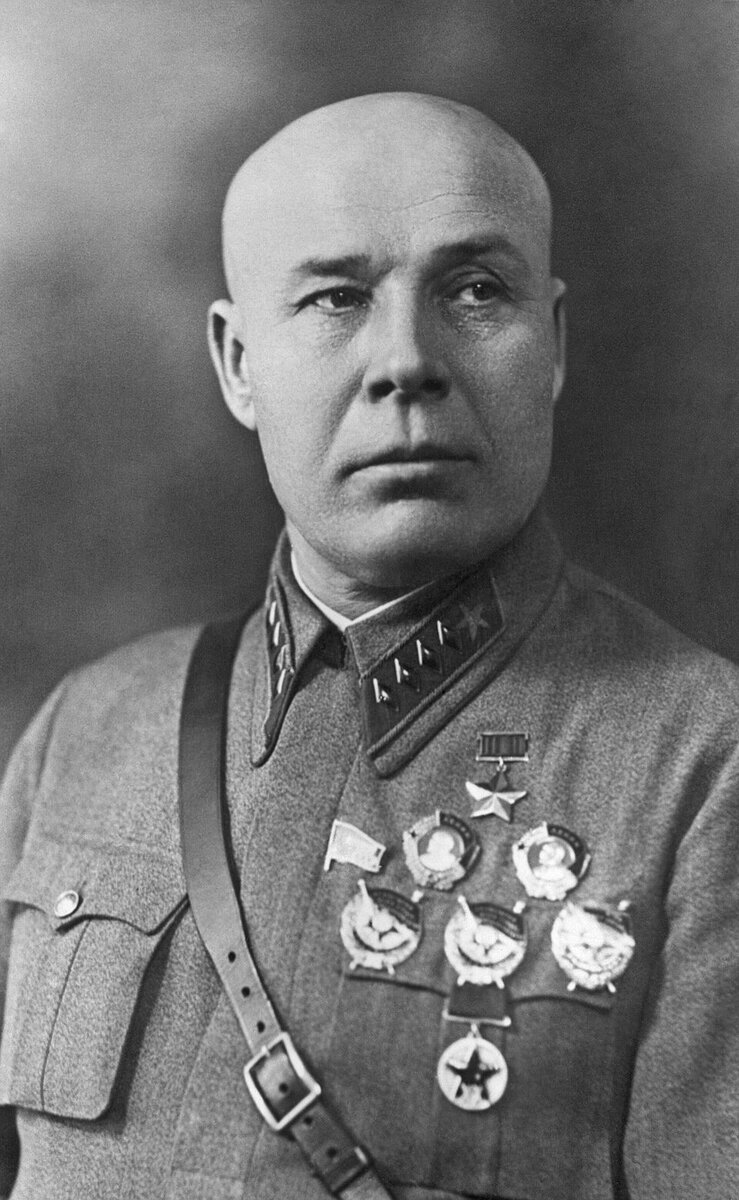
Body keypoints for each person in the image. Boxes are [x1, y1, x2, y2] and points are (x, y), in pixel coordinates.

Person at [0, 91, 736, 1200]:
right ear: (237, 364)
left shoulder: (701, 765)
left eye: (474, 290)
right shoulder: (89, 729)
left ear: (553, 345)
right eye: (336, 298)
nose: (406, 361)